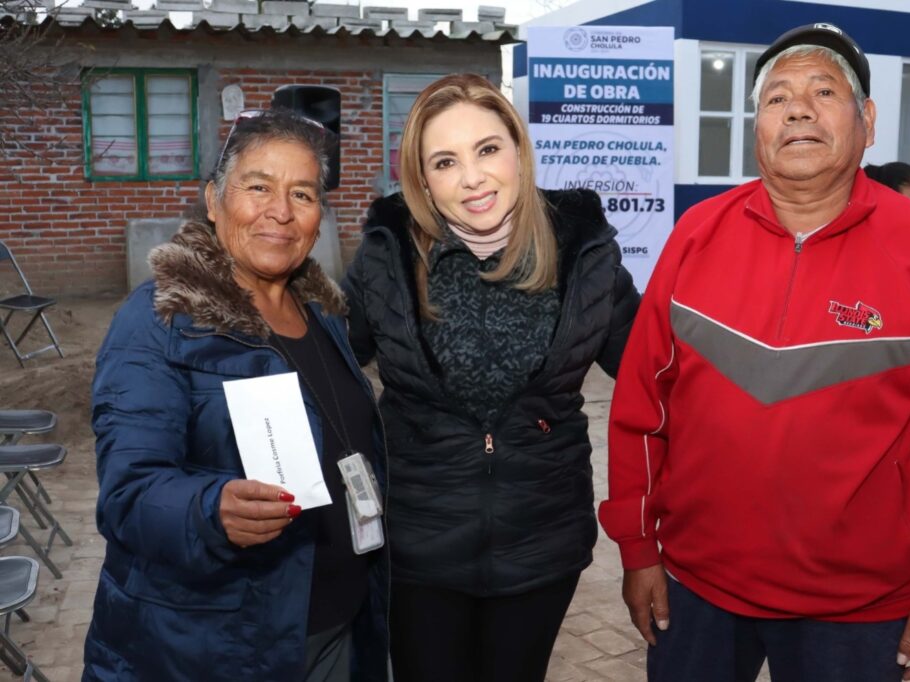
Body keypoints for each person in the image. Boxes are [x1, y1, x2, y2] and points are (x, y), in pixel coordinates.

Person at [599, 23, 910, 682]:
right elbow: (642, 411)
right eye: (777, 98)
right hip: (697, 589)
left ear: (867, 122)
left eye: (824, 91)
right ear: (757, 128)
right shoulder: (696, 235)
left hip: (861, 610)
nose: (797, 109)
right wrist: (639, 547)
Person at [342, 73, 640, 682]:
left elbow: (659, 374)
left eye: (487, 149)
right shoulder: (386, 254)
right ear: (423, 179)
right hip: (417, 545)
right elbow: (325, 364)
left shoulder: (584, 250)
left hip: (542, 543)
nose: (473, 178)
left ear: (518, 151)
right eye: (445, 162)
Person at [83, 109, 388, 681]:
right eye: (259, 187)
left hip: (337, 628)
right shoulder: (161, 320)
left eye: (302, 193)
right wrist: (209, 509)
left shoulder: (323, 314)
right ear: (213, 200)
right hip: (216, 649)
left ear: (319, 217)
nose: (281, 211)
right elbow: (127, 493)